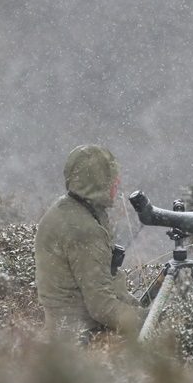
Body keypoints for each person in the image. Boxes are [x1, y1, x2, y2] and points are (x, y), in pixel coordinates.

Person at [34, 145, 145, 343]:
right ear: (97, 183)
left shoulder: (66, 209)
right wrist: (146, 321)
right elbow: (101, 307)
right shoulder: (84, 230)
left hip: (62, 331)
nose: (117, 183)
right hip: (82, 339)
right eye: (111, 178)